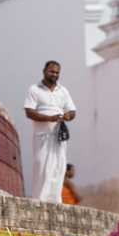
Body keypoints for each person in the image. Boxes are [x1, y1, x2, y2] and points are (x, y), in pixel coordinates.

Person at [24, 60, 76, 203]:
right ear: (44, 71)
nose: (54, 74)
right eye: (51, 71)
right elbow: (29, 112)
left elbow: (72, 111)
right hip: (42, 136)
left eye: (57, 72)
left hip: (58, 137)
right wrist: (49, 118)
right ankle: (39, 200)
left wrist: (67, 116)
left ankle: (55, 200)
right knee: (42, 166)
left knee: (58, 167)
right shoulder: (34, 89)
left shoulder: (63, 91)